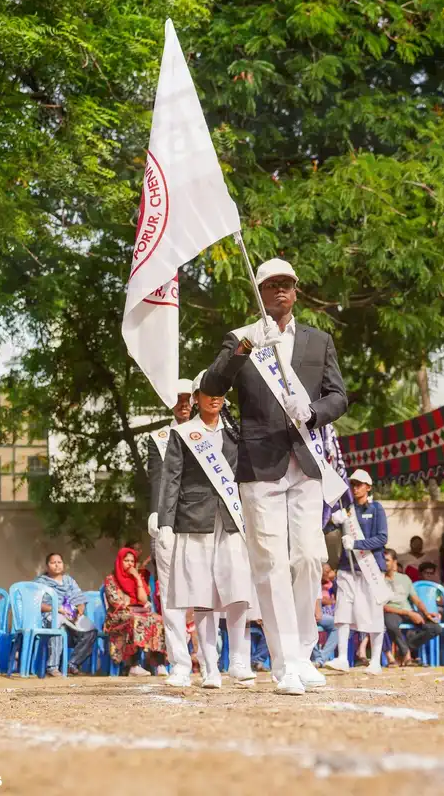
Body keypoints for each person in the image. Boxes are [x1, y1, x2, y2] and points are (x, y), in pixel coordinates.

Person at [200, 258, 348, 696]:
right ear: (260, 292)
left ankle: (304, 652)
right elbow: (212, 385)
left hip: (305, 463)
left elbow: (338, 396)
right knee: (271, 565)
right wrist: (243, 348)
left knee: (308, 559)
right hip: (259, 465)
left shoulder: (318, 341)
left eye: (287, 285)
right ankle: (284, 664)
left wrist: (315, 411)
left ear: (296, 291)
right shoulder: (241, 339)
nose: (280, 292)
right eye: (271, 286)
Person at [155, 371, 256, 689]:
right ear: (195, 397)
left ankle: (239, 659)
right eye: (208, 392)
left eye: (221, 392)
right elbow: (171, 480)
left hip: (230, 522)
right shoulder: (183, 434)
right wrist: (165, 523)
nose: (215, 397)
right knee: (201, 595)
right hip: (194, 522)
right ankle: (210, 667)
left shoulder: (235, 434)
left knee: (238, 590)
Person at [145, 377, 195, 686]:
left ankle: (212, 659)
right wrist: (155, 510)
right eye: (178, 398)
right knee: (172, 592)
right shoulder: (159, 437)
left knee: (207, 592)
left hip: (203, 522)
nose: (184, 403)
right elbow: (158, 476)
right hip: (170, 523)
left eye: (189, 397)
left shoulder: (212, 434)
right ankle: (179, 662)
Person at [325, 470, 387, 675]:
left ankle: (376, 661)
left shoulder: (377, 509)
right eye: (353, 484)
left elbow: (381, 538)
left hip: (370, 569)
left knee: (374, 614)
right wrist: (333, 521)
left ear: (368, 486)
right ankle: (342, 658)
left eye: (359, 484)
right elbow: (329, 535)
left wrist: (357, 543)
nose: (355, 488)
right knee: (342, 612)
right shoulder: (347, 511)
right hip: (347, 569)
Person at [103, 547, 166, 675]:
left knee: (159, 620)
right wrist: (132, 606)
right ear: (120, 561)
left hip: (137, 612)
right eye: (126, 560)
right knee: (137, 620)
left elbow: (143, 600)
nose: (130, 564)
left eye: (132, 561)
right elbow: (116, 602)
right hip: (117, 617)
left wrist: (137, 578)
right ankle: (133, 665)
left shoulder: (136, 578)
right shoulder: (111, 579)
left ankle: (159, 664)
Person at [35, 553, 98, 677]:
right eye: (53, 562)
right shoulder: (41, 582)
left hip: (70, 614)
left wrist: (79, 613)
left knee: (91, 630)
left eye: (59, 562)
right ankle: (52, 667)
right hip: (51, 613)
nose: (57, 565)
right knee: (58, 625)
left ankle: (72, 664)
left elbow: (80, 601)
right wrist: (57, 610)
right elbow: (36, 604)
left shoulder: (69, 581)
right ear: (47, 566)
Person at [382, 548, 443, 666]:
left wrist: (426, 613)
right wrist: (409, 613)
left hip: (408, 610)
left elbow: (417, 600)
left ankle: (405, 650)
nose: (383, 562)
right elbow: (383, 607)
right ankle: (407, 654)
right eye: (381, 560)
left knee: (435, 628)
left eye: (387, 560)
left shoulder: (404, 578)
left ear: (394, 562)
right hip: (392, 611)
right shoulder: (378, 580)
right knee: (391, 625)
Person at [311, 563, 338, 666]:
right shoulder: (313, 581)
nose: (330, 573)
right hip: (308, 614)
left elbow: (334, 600)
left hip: (322, 614)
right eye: (327, 571)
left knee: (337, 626)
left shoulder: (330, 584)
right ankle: (319, 659)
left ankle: (320, 659)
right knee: (308, 626)